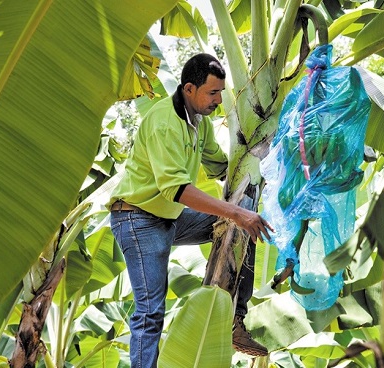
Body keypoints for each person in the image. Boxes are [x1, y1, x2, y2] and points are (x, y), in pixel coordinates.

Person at [107, 53, 273, 367]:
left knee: (241, 228)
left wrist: (260, 169)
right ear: (188, 89)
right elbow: (176, 189)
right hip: (137, 218)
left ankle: (235, 321)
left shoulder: (199, 123)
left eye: (221, 93)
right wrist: (235, 212)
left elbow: (220, 166)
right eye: (212, 93)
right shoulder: (164, 122)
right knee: (150, 310)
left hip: (168, 217)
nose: (218, 101)